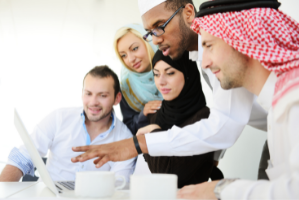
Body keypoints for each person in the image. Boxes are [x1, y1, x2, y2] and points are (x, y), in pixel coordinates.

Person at [70, 0, 269, 175]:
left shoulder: (223, 51)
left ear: (189, 13)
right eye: (150, 32)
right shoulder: (200, 58)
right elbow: (226, 116)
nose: (155, 39)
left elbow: (225, 123)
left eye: (159, 26)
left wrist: (140, 144)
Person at [177, 0, 299, 199]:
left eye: (209, 46)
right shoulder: (277, 102)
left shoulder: (295, 97)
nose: (205, 63)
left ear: (246, 39)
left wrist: (222, 189)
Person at [0, 66, 136, 182]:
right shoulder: (60, 118)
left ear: (117, 98)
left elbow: (119, 186)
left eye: (102, 95)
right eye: (88, 93)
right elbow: (23, 157)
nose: (93, 102)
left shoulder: (125, 140)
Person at [138, 50, 214, 188]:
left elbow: (167, 176)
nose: (161, 82)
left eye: (170, 73)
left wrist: (155, 131)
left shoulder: (204, 118)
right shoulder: (155, 114)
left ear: (187, 74)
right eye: (156, 74)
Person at [114, 24, 163, 135]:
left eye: (135, 48)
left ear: (148, 43)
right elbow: (128, 129)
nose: (131, 59)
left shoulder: (173, 65)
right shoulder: (127, 87)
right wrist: (143, 114)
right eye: (124, 55)